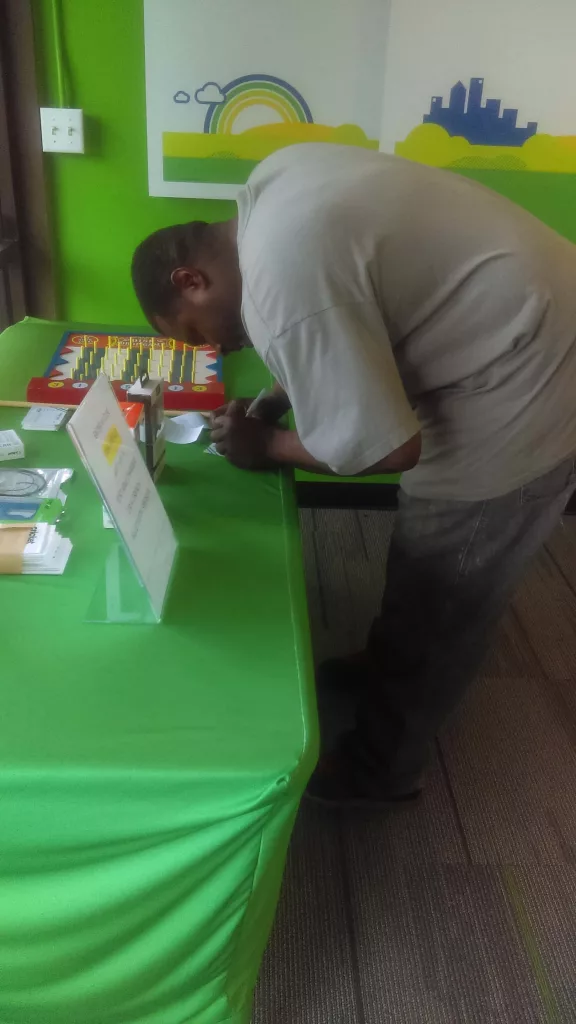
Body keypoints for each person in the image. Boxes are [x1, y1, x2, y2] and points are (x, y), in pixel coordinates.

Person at [131, 143, 576, 808]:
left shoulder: (281, 276)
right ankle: (390, 657)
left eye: (198, 336)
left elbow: (386, 450)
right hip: (534, 308)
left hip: (534, 369)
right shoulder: (272, 188)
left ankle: (381, 772)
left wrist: (268, 444)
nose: (216, 349)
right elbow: (344, 315)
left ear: (191, 281)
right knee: (421, 568)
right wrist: (275, 402)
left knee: (446, 571)